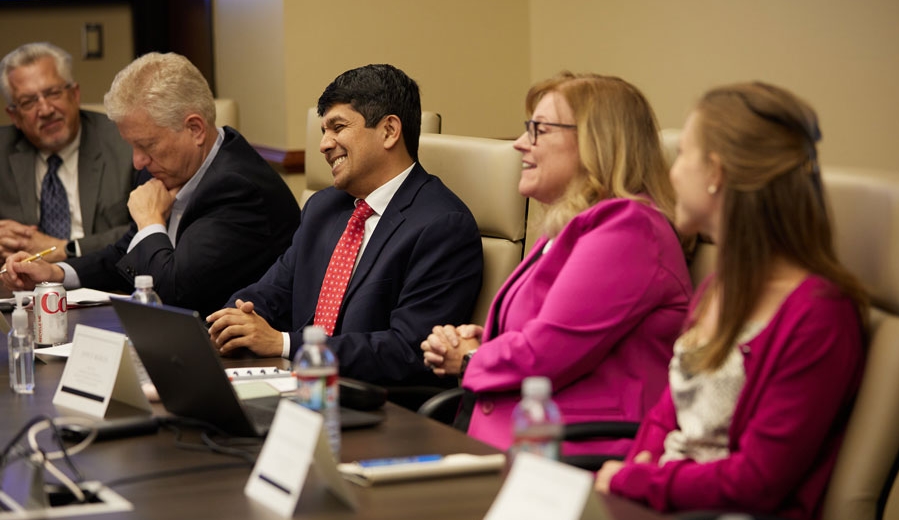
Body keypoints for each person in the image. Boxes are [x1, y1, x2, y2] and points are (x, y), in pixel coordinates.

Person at [595, 83, 867, 520]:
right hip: (662, 519)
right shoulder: (719, 287)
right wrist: (633, 478)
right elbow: (669, 416)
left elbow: (757, 483)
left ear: (715, 172)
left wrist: (638, 483)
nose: (672, 171)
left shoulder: (820, 315)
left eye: (683, 154)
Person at [421, 73, 692, 456]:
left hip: (576, 456)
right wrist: (484, 341)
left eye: (538, 130)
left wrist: (469, 358)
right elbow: (555, 333)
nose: (519, 144)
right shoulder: (571, 222)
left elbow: (545, 352)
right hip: (517, 442)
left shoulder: (630, 229)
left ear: (596, 142)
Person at [206, 64, 482, 395]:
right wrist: (236, 317)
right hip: (297, 388)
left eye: (338, 127)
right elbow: (275, 291)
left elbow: (408, 349)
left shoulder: (443, 226)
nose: (324, 144)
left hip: (374, 403)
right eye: (323, 130)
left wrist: (284, 344)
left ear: (389, 131)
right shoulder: (324, 208)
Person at [1, 52, 301, 317]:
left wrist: (149, 222)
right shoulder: (168, 167)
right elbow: (126, 254)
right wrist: (56, 273)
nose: (137, 162)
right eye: (132, 146)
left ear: (195, 128)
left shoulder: (237, 189)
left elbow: (171, 296)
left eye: (146, 145)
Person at [0, 42, 134, 262]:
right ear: (14, 115)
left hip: (102, 283)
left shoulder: (124, 143)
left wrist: (66, 249)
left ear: (75, 94)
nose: (45, 110)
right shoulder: (2, 150)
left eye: (53, 93)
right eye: (28, 102)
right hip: (22, 290)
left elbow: (150, 229)